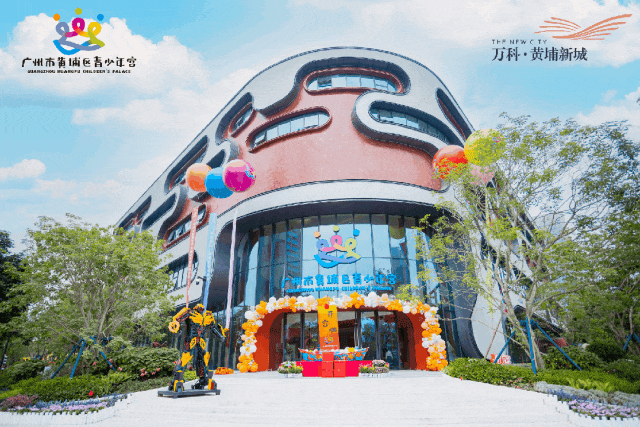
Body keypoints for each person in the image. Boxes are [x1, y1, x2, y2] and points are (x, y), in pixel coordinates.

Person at [168, 303, 227, 392]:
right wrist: (177, 330)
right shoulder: (189, 312)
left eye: (203, 308)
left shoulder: (208, 315)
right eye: (200, 308)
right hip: (191, 338)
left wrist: (220, 335)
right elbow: (177, 320)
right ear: (196, 308)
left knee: (202, 358)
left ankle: (203, 379)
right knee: (186, 357)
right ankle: (177, 379)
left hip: (201, 339)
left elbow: (213, 327)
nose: (201, 309)